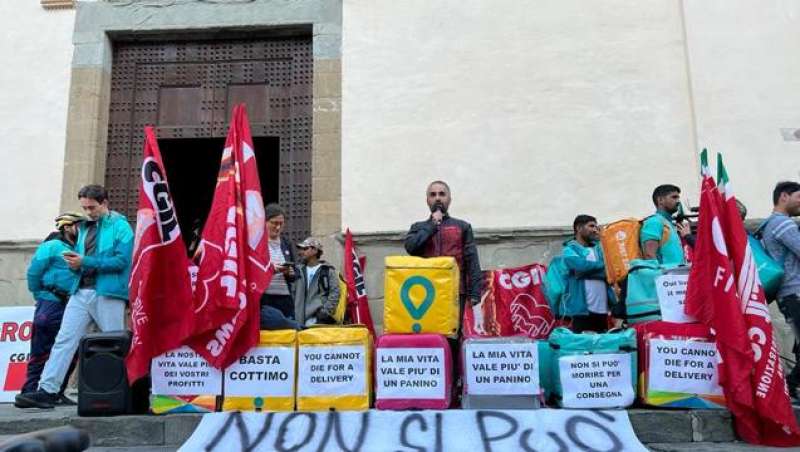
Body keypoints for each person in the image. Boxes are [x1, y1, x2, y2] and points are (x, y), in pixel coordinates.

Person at [15, 185, 133, 409]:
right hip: (80, 291)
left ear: (105, 203)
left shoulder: (122, 227)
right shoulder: (85, 228)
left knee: (116, 344)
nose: (89, 212)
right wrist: (74, 266)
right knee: (64, 341)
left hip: (108, 293)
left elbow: (121, 262)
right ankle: (47, 390)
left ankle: (124, 391)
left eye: (92, 207)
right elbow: (80, 261)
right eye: (85, 207)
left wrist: (84, 262)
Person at [13, 212, 86, 408]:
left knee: (71, 350)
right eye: (79, 225)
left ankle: (56, 392)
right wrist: (41, 295)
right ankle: (29, 392)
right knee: (42, 348)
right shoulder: (52, 246)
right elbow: (33, 273)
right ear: (68, 227)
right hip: (51, 302)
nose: (83, 229)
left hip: (72, 304)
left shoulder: (79, 249)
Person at [404, 180, 482, 308]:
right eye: (433, 195)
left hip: (455, 291)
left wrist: (475, 294)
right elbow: (410, 247)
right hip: (425, 291)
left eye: (442, 194)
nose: (438, 198)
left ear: (449, 199)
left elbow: (472, 261)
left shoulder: (462, 227)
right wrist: (432, 225)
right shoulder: (418, 227)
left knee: (454, 328)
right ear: (427, 200)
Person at [761, 181, 800, 399]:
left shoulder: (769, 224)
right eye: (799, 197)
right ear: (784, 197)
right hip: (794, 292)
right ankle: (789, 386)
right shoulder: (784, 224)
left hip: (787, 294)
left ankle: (791, 386)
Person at [558, 215, 615, 333]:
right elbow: (579, 266)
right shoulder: (570, 249)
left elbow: (610, 271)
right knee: (583, 347)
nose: (595, 229)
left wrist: (584, 273)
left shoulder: (599, 249)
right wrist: (601, 266)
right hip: (581, 311)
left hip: (602, 310)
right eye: (591, 226)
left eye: (596, 226)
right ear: (579, 228)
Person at [294, 238, 341, 326]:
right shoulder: (298, 270)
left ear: (315, 250)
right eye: (301, 249)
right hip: (298, 321)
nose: (301, 252)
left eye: (305, 249)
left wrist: (325, 312)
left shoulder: (327, 270)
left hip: (317, 320)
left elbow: (335, 293)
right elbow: (293, 293)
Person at [262, 204, 298, 318]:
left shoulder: (287, 243)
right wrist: (272, 269)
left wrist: (291, 273)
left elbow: (296, 271)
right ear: (265, 222)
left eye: (281, 224)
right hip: (264, 298)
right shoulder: (257, 244)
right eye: (274, 223)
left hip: (284, 298)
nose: (278, 227)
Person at [641, 184, 689, 265]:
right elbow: (649, 256)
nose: (678, 201)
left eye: (678, 198)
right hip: (665, 276)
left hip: (676, 276)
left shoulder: (668, 223)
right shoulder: (654, 222)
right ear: (660, 200)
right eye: (674, 197)